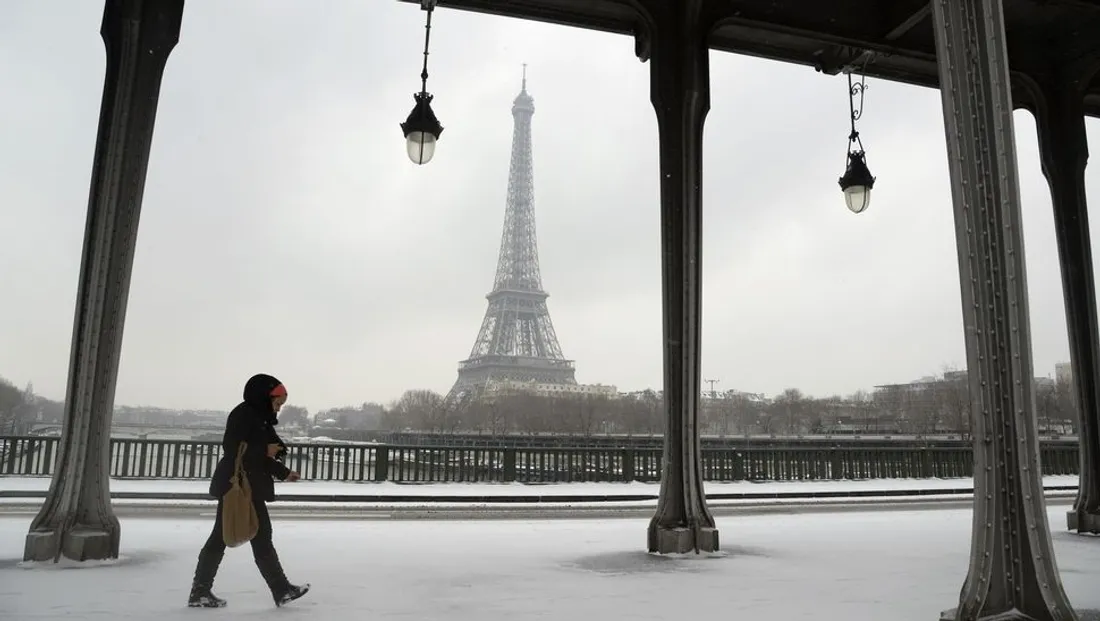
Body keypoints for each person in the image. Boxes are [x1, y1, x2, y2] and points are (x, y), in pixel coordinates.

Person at [187, 373, 310, 608]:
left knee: (233, 537)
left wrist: (283, 471)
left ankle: (202, 590)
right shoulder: (243, 415)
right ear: (265, 397)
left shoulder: (260, 417)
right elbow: (233, 449)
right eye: (277, 403)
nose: (278, 409)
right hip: (237, 486)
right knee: (247, 536)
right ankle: (279, 589)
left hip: (245, 486)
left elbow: (267, 452)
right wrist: (266, 450)